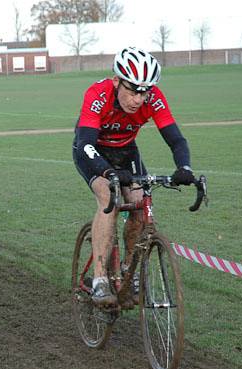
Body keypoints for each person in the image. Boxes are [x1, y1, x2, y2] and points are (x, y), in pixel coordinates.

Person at [72, 47, 196, 306]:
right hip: (93, 151)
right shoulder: (98, 94)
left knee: (141, 206)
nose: (138, 98)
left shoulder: (153, 98)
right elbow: (85, 143)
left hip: (126, 150)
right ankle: (100, 281)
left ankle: (129, 272)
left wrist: (184, 168)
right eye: (132, 89)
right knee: (109, 199)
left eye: (144, 91)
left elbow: (176, 139)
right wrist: (107, 171)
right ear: (117, 81)